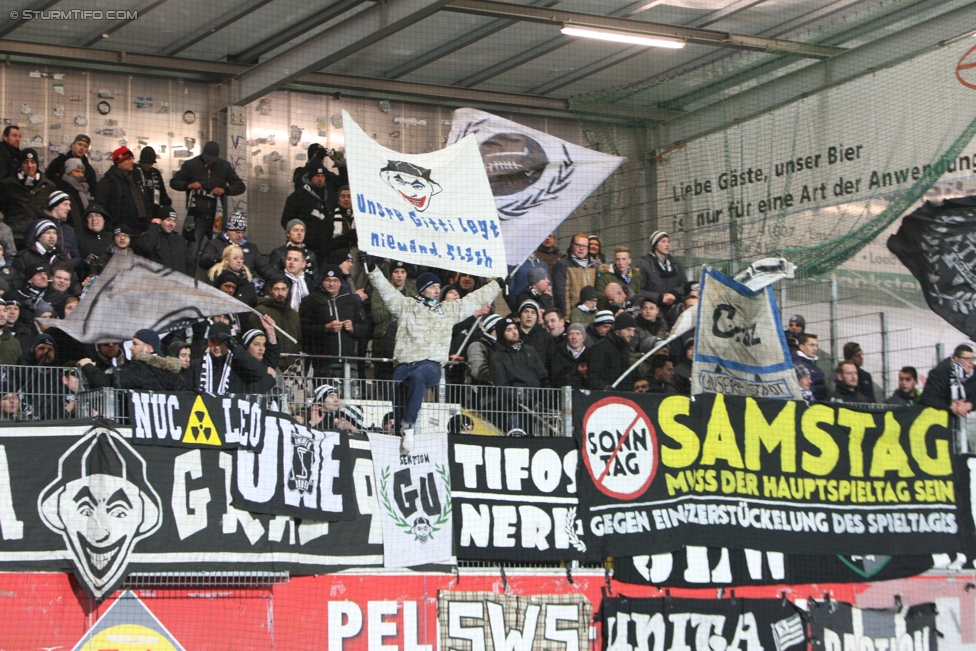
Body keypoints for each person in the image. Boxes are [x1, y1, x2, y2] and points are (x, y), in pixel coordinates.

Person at [366, 255, 500, 452]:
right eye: (432, 286)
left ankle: (409, 427)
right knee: (399, 408)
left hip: (431, 365)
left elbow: (475, 299)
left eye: (438, 286)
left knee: (419, 376)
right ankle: (400, 444)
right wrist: (371, 269)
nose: (437, 289)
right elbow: (385, 290)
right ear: (422, 289)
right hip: (404, 365)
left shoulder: (448, 310)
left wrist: (497, 285)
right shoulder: (406, 305)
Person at [170, 141, 246, 260]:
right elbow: (174, 182)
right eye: (207, 159)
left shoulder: (224, 166)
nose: (209, 161)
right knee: (192, 253)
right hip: (196, 218)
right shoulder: (191, 164)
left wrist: (224, 189)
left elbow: (240, 186)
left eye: (212, 159)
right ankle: (189, 277)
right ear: (202, 152)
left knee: (219, 253)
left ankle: (217, 277)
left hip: (217, 218)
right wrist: (188, 185)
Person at [299, 264, 370, 379]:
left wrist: (353, 328)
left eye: (335, 280)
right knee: (326, 396)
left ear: (340, 282)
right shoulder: (310, 301)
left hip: (349, 361)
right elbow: (304, 328)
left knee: (349, 395)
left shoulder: (351, 300)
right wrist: (325, 328)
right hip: (323, 362)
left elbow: (365, 327)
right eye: (328, 280)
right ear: (322, 281)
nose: (331, 284)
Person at [78, 329, 188, 391]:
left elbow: (108, 382)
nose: (131, 348)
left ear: (148, 348)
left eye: (135, 344)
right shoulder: (172, 373)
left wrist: (87, 366)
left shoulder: (141, 368)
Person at [190, 322, 271, 394]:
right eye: (213, 342)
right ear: (208, 342)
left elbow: (259, 372)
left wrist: (235, 347)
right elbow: (185, 391)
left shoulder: (238, 366)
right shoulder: (196, 365)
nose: (217, 347)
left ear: (229, 343)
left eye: (221, 342)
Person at [280, 162, 333, 270]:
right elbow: (286, 220)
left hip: (323, 248)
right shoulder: (298, 196)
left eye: (323, 176)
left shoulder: (329, 196)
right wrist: (296, 236)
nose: (320, 179)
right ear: (310, 177)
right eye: (317, 176)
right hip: (303, 247)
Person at [198, 211, 276, 282]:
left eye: (242, 233)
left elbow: (263, 268)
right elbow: (203, 261)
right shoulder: (215, 244)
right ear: (228, 230)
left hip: (247, 283)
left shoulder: (251, 248)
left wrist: (278, 278)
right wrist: (223, 258)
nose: (240, 236)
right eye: (237, 232)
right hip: (222, 282)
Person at [0, 148, 56, 245]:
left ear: (37, 164)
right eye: (26, 162)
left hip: (38, 237)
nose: (30, 165)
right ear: (21, 164)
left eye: (32, 162)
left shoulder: (48, 186)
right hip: (14, 236)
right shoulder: (8, 184)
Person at [93, 146, 152, 233]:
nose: (132, 162)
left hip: (138, 229)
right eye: (128, 159)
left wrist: (146, 226)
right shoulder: (108, 182)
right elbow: (101, 207)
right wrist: (109, 228)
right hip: (117, 231)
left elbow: (145, 202)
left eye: (132, 158)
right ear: (119, 162)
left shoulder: (136, 180)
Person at [252, 276, 303, 370]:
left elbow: (299, 340)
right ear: (270, 290)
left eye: (283, 289)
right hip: (269, 364)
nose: (280, 293)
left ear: (288, 290)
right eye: (276, 289)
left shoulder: (293, 314)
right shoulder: (260, 311)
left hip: (292, 365)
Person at [489, 317, 548, 389]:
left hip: (537, 397)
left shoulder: (530, 350)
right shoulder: (497, 357)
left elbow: (543, 376)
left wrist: (544, 396)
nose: (514, 332)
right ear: (501, 334)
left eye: (515, 328)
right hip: (515, 399)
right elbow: (502, 386)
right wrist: (522, 397)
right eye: (509, 330)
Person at [132, 206, 193, 275]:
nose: (171, 224)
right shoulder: (153, 237)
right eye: (168, 220)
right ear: (160, 221)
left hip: (178, 283)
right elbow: (146, 247)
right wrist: (154, 225)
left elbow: (189, 264)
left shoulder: (180, 240)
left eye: (174, 221)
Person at [921, 345, 976, 417]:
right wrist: (951, 406)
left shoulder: (974, 373)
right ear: (956, 359)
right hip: (938, 418)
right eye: (967, 359)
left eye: (973, 358)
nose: (971, 362)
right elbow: (928, 398)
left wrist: (968, 405)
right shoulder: (940, 372)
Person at [587, 312, 637, 391]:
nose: (632, 334)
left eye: (633, 331)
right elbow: (594, 377)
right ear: (617, 330)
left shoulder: (625, 348)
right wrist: (605, 388)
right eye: (628, 330)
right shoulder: (601, 348)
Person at [638, 231, 687, 309]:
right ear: (655, 245)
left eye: (668, 241)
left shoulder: (675, 263)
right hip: (654, 308)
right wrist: (660, 298)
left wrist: (674, 294)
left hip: (675, 307)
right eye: (663, 241)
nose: (667, 244)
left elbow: (684, 285)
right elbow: (639, 291)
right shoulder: (645, 265)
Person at [552, 232, 598, 315]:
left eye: (584, 246)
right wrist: (566, 315)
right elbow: (562, 294)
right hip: (572, 314)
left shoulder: (593, 266)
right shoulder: (563, 265)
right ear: (572, 246)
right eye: (578, 245)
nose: (581, 248)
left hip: (590, 313)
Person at [55, 157, 95, 233]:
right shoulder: (63, 190)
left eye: (82, 172)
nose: (80, 175)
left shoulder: (85, 189)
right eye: (77, 171)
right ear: (68, 172)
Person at [516, 300, 553, 380]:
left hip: (539, 384)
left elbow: (551, 364)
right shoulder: (512, 335)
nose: (529, 315)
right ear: (520, 315)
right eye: (526, 312)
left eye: (533, 312)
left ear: (537, 316)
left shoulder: (546, 337)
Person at [132, 146, 171, 220]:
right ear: (141, 161)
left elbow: (162, 192)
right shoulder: (134, 171)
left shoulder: (156, 172)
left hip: (154, 211)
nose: (148, 165)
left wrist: (166, 201)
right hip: (139, 211)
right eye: (145, 163)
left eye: (151, 163)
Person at [75, 204, 113, 279]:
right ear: (86, 220)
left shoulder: (112, 237)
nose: (94, 219)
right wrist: (86, 262)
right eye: (90, 216)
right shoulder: (78, 238)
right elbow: (75, 261)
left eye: (98, 215)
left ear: (104, 219)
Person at [467, 314, 502, 386]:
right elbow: (478, 371)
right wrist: (502, 377)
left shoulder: (503, 345)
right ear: (493, 329)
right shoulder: (476, 345)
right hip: (485, 392)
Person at [551, 323, 587, 388]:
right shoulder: (558, 353)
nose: (574, 337)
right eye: (571, 334)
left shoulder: (590, 354)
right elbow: (556, 377)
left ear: (583, 338)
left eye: (578, 334)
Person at [279, 247, 315, 312]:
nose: (291, 262)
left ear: (304, 264)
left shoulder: (310, 282)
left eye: (296, 260)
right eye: (289, 259)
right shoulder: (277, 279)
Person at [792, 333, 826, 401]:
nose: (815, 348)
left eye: (816, 345)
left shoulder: (814, 365)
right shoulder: (798, 366)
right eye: (812, 345)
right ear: (801, 347)